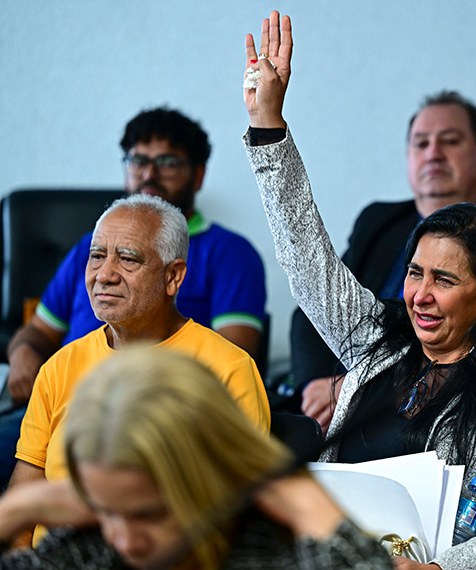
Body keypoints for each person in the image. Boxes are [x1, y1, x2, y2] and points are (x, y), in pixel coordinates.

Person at [243, 11, 476, 570]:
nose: (419, 294)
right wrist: (269, 122)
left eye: (444, 280)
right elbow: (307, 258)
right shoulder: (380, 345)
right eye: (416, 273)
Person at [0, 107, 267, 486]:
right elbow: (38, 331)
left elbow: (231, 353)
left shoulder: (229, 253)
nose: (149, 173)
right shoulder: (83, 254)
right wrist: (23, 354)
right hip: (55, 407)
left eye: (167, 162)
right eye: (138, 160)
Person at [291, 90, 476, 433]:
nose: (433, 154)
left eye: (450, 141)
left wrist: (357, 386)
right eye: (421, 144)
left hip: (446, 422)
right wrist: (319, 383)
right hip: (335, 412)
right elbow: (316, 308)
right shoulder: (377, 222)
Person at [7, 194, 270, 544]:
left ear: (173, 276)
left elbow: (232, 518)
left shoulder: (228, 369)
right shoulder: (59, 366)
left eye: (128, 259)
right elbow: (23, 508)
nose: (104, 275)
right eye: (97, 256)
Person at [0, 347, 392, 569]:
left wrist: (306, 501)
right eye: (104, 510)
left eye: (148, 513)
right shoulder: (104, 547)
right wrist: (19, 507)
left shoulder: (272, 555)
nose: (125, 540)